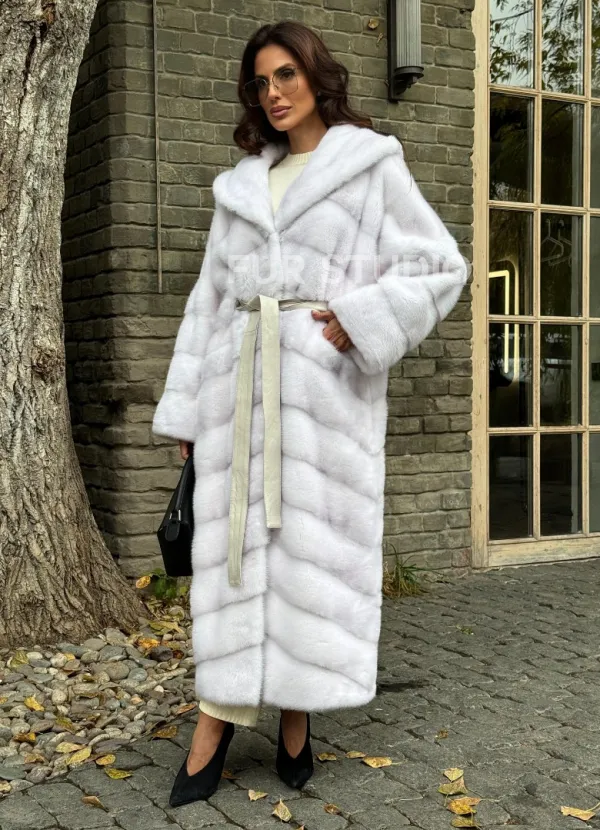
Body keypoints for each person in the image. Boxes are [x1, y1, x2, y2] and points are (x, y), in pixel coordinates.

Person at [151, 20, 468, 808]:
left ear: (316, 76)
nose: (273, 93)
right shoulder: (238, 188)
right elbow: (206, 304)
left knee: (303, 560)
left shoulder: (370, 165)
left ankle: (296, 717)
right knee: (235, 563)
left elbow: (438, 265)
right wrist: (187, 412)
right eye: (260, 82)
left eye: (286, 74)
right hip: (236, 395)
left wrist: (360, 317)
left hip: (324, 398)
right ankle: (216, 723)